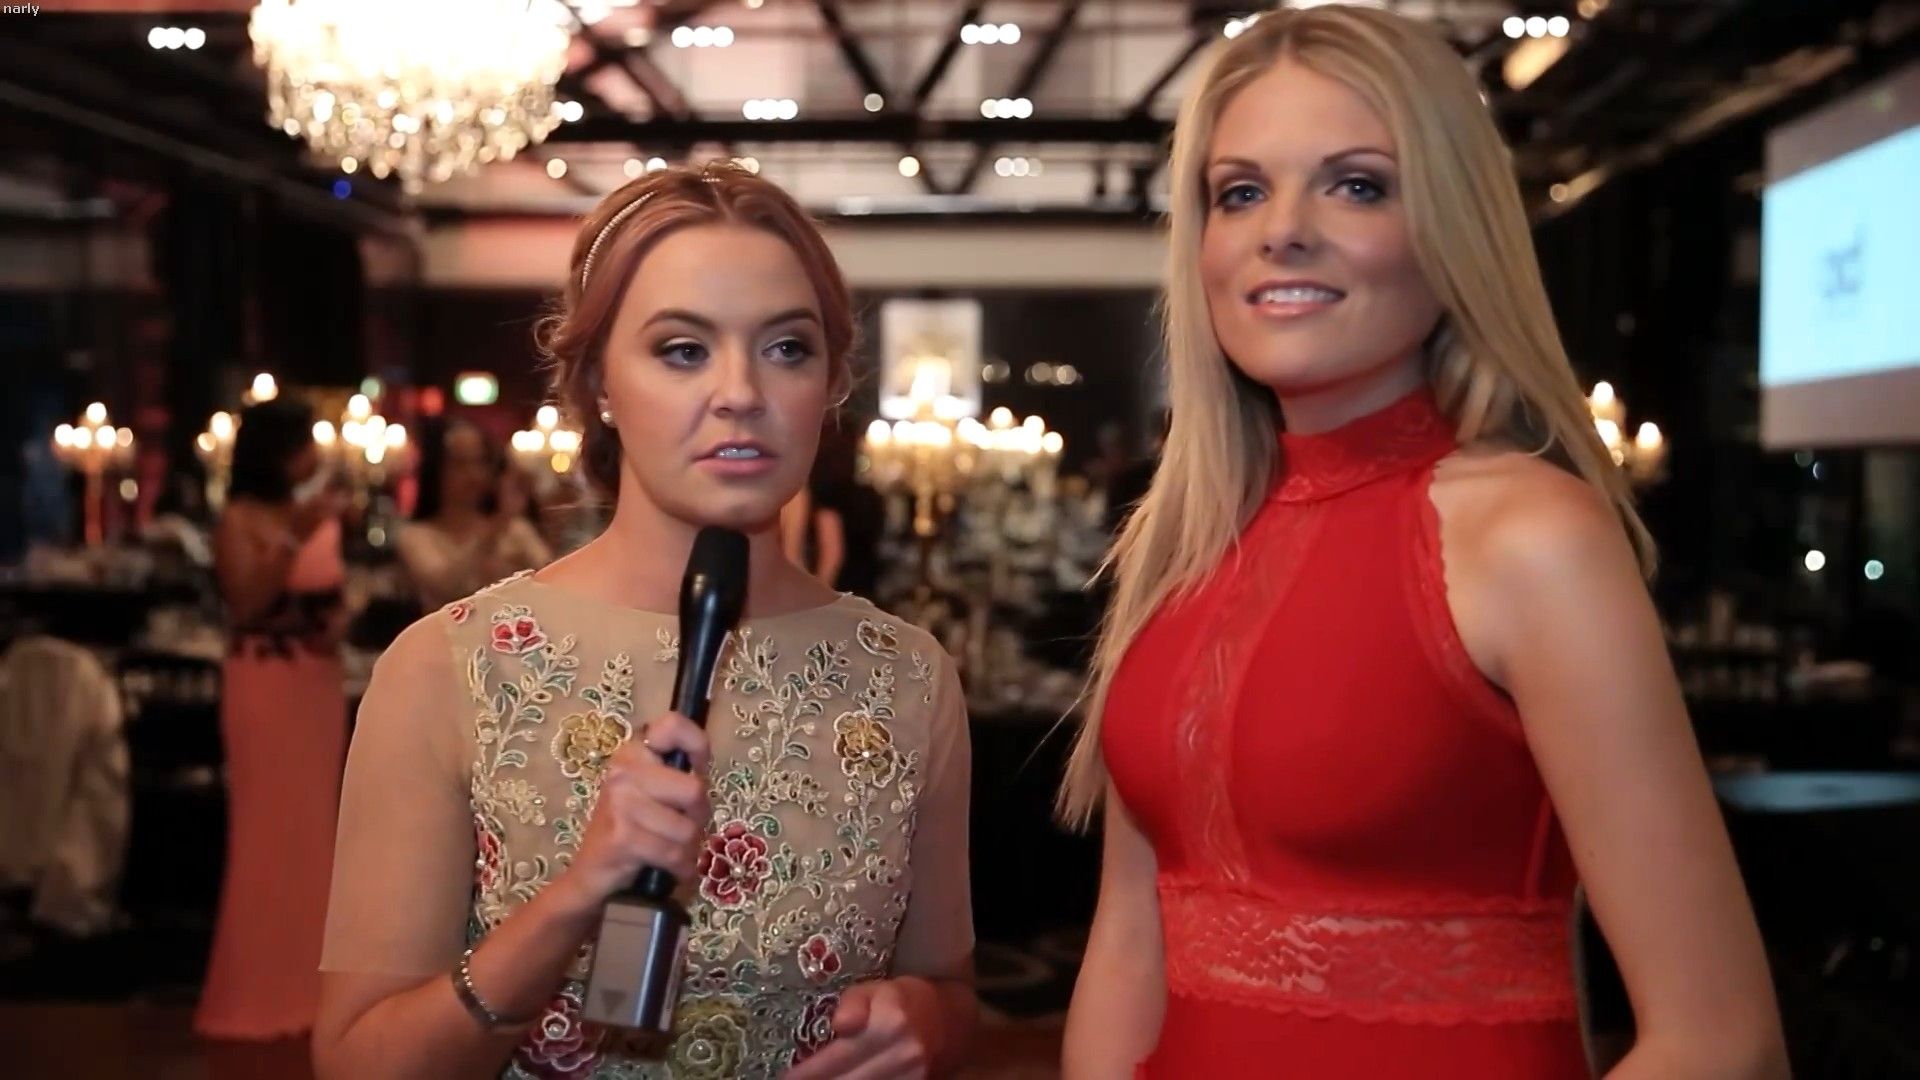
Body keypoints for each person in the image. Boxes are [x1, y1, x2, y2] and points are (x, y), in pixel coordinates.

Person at [1059, 8, 1786, 1079]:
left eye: (1357, 185)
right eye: (1240, 192)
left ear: (1452, 231)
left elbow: (1723, 1040)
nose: (1281, 230)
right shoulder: (1185, 546)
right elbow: (1129, 948)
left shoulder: (1531, 538)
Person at [314, 163, 977, 1079]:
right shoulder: (453, 666)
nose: (740, 391)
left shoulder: (905, 676)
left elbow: (951, 991)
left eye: (787, 347)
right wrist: (574, 900)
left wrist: (927, 1022)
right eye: (683, 350)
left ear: (830, 383)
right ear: (598, 383)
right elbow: (359, 1062)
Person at [198, 396, 350, 1039]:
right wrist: (293, 535)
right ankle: (260, 991)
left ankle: (317, 992)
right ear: (279, 451)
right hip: (263, 685)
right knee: (267, 833)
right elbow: (245, 600)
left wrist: (337, 617)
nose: (314, 455)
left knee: (317, 832)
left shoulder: (323, 511)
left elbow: (330, 594)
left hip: (316, 683)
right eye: (304, 442)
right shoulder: (240, 518)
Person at [395, 416, 553, 612]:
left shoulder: (515, 530)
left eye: (479, 463)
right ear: (436, 469)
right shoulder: (416, 536)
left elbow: (551, 578)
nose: (473, 475)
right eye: (459, 464)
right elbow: (446, 588)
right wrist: (496, 529)